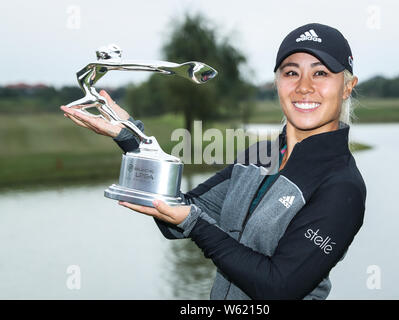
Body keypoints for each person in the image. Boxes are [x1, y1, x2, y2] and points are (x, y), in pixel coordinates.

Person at [60, 22, 365, 300]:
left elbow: (279, 287)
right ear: (277, 83)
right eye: (291, 72)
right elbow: (177, 214)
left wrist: (195, 225)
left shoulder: (342, 186)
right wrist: (132, 139)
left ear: (348, 86)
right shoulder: (259, 157)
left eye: (321, 73)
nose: (304, 86)